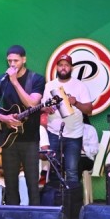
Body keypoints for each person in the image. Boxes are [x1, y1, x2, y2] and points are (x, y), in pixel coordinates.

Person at [0, 45, 46, 205]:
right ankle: (12, 218)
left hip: (30, 139)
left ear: (24, 59)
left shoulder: (36, 79)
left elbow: (32, 104)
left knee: (32, 186)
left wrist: (15, 83)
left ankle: (35, 217)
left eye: (16, 61)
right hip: (8, 140)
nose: (12, 64)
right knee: (11, 186)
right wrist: (4, 118)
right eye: (9, 61)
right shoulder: (2, 80)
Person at [42, 54, 93, 185]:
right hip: (54, 133)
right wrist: (46, 109)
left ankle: (72, 198)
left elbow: (89, 110)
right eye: (61, 65)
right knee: (54, 171)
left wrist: (76, 103)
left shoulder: (80, 86)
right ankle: (55, 198)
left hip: (74, 135)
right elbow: (42, 107)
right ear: (56, 67)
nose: (63, 68)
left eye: (66, 65)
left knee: (72, 171)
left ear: (71, 68)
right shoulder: (49, 85)